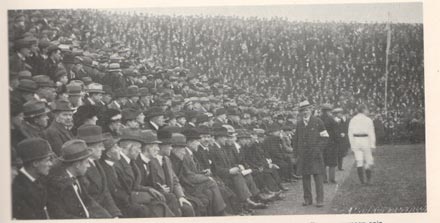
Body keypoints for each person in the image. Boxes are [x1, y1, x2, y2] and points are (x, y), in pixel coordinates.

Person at [114, 129, 175, 217]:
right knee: (157, 206)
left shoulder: (133, 162)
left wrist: (149, 189)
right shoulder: (120, 163)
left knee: (167, 199)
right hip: (128, 204)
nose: (139, 151)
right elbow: (123, 192)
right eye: (138, 148)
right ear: (129, 147)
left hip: (136, 199)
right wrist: (147, 194)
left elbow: (136, 185)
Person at [46, 139, 112, 218]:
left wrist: (109, 218)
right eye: (87, 162)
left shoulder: (78, 177)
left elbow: (88, 201)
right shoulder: (57, 186)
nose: (89, 166)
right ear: (77, 164)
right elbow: (61, 217)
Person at [138, 130, 196, 217]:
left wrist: (181, 196)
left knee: (188, 207)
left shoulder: (167, 160)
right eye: (169, 145)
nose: (171, 148)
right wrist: (159, 190)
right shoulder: (150, 160)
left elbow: (175, 181)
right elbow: (147, 183)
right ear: (161, 146)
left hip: (171, 197)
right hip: (160, 198)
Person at [77, 124, 122, 218]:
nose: (103, 149)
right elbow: (88, 200)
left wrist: (115, 214)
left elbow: (105, 192)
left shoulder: (96, 162)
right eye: (100, 146)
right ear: (89, 150)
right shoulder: (81, 169)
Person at [294, 100, 327, 207]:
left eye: (307, 109)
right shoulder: (299, 124)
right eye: (303, 110)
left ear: (311, 110)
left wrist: (318, 149)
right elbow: (296, 140)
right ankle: (307, 199)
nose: (305, 112)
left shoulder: (318, 122)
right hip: (303, 156)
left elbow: (325, 138)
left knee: (318, 178)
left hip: (315, 155)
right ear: (300, 112)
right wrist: (296, 154)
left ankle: (320, 200)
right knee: (305, 179)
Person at [13, 138, 54, 219]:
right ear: (35, 163)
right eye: (47, 160)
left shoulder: (40, 178)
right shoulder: (18, 189)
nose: (51, 164)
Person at [348, 104, 376, 185]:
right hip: (365, 140)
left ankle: (362, 181)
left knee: (359, 160)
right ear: (363, 109)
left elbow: (350, 134)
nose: (368, 111)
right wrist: (373, 145)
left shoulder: (352, 119)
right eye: (367, 109)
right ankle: (368, 180)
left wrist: (352, 146)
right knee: (368, 160)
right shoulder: (368, 120)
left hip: (356, 140)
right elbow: (371, 133)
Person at [320, 104, 339, 183]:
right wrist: (337, 141)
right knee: (332, 162)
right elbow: (335, 132)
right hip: (331, 143)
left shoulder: (319, 119)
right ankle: (332, 178)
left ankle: (324, 179)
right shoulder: (332, 120)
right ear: (328, 111)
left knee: (323, 161)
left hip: (322, 143)